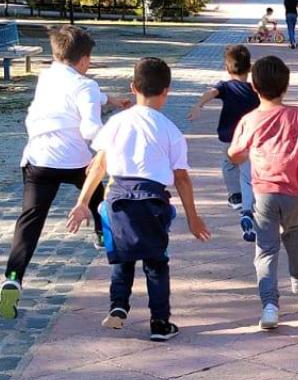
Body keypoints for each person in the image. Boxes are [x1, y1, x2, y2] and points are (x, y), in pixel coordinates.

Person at [64, 57, 212, 340]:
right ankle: (159, 322)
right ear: (167, 91)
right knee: (156, 262)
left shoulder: (117, 122)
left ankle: (118, 306)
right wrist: (193, 217)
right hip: (152, 201)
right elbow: (181, 177)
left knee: (123, 258)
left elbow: (99, 165)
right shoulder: (171, 130)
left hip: (117, 197)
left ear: (133, 87)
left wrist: (83, 203)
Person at [0, 25, 130, 320]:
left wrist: (112, 99)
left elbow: (84, 93)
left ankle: (13, 277)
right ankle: (103, 237)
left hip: (38, 160)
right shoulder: (86, 86)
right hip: (74, 161)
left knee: (29, 222)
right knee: (98, 194)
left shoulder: (47, 75)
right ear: (84, 59)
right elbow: (89, 124)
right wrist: (111, 141)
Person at [228, 55, 298, 330]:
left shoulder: (249, 120)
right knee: (294, 231)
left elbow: (234, 154)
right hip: (296, 190)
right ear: (285, 86)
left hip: (264, 191)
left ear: (254, 87)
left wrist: (244, 155)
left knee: (266, 249)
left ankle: (270, 305)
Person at [187, 43, 260, 242]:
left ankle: (234, 195)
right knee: (247, 175)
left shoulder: (224, 86)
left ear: (227, 68)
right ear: (250, 68)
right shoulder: (255, 90)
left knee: (228, 166)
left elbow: (210, 93)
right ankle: (247, 210)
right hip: (249, 140)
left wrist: (199, 105)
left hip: (228, 138)